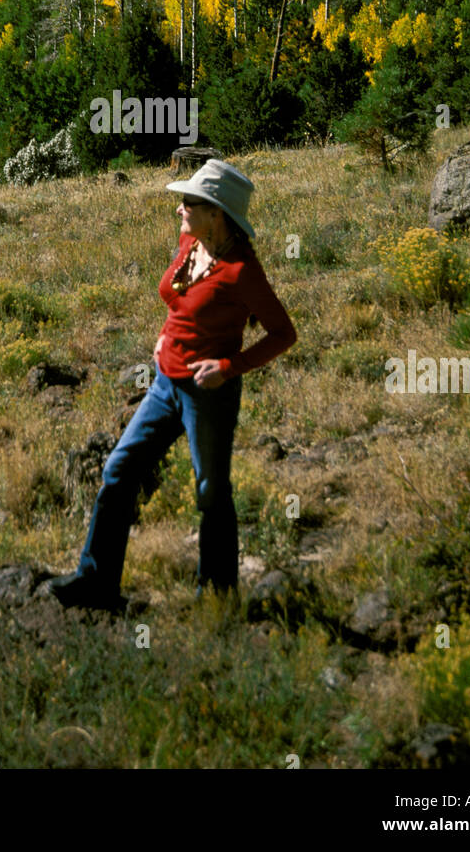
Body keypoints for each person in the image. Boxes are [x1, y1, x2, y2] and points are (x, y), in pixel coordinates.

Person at [48, 159, 297, 612]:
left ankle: (217, 598)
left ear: (216, 213)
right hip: (165, 383)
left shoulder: (242, 270)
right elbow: (180, 297)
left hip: (208, 394)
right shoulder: (191, 241)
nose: (179, 210)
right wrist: (167, 334)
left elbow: (284, 334)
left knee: (211, 491)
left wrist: (229, 365)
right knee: (119, 471)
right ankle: (97, 582)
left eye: (188, 203)